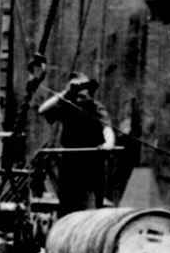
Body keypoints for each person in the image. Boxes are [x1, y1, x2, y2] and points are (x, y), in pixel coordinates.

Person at [37, 72, 116, 216]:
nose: (80, 96)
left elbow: (107, 129)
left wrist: (108, 144)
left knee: (91, 207)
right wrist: (65, 93)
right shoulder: (67, 107)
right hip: (70, 163)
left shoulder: (96, 107)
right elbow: (42, 110)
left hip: (93, 163)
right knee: (68, 205)